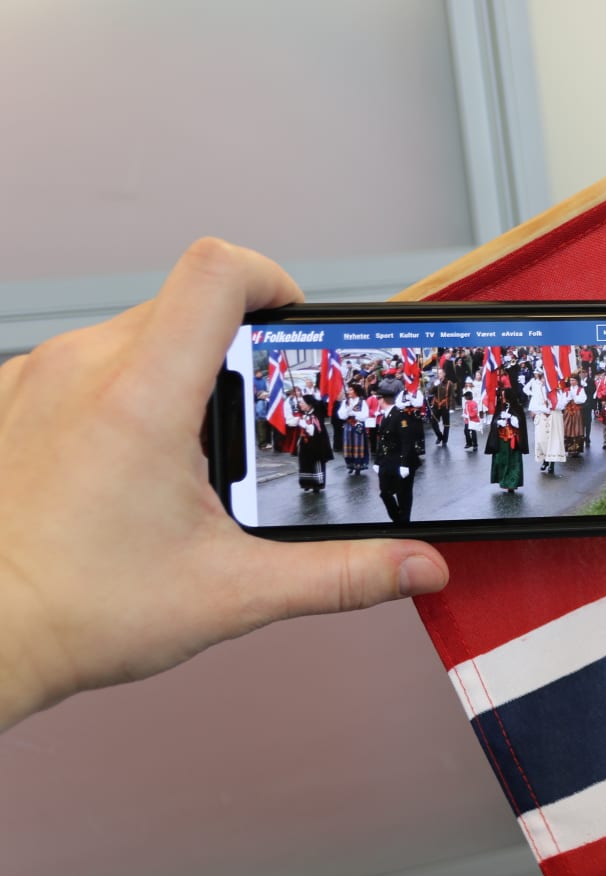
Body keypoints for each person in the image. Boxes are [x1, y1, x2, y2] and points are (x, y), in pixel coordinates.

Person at [0, 238, 448, 733]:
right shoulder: (364, 409)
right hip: (373, 457)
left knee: (397, 495)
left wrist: (25, 608)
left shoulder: (402, 412)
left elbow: (404, 439)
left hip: (394, 463)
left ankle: (403, 515)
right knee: (375, 490)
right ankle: (391, 509)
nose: (376, 395)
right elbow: (363, 426)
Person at [373, 378, 422, 525]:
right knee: (385, 493)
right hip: (388, 460)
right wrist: (377, 461)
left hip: (402, 461)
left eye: (378, 398)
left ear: (382, 400)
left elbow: (407, 441)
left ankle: (404, 523)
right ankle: (398, 520)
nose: (377, 401)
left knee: (403, 495)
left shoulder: (400, 416)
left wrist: (405, 464)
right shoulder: (385, 416)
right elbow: (382, 440)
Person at [292, 393, 333, 491]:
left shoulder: (316, 416)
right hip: (305, 443)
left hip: (316, 444)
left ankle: (317, 484)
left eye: (302, 403)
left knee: (315, 462)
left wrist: (305, 425)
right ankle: (307, 483)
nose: (300, 404)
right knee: (305, 462)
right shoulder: (303, 415)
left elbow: (314, 430)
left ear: (309, 405)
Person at [485, 400, 525, 493]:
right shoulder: (499, 408)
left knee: (513, 462)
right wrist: (498, 422)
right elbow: (493, 422)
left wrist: (510, 418)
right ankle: (503, 481)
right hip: (501, 440)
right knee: (501, 461)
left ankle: (512, 484)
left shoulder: (517, 408)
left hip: (513, 440)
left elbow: (520, 424)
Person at [337, 385, 370, 475]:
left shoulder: (362, 402)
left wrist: (355, 413)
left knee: (358, 444)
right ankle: (350, 465)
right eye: (348, 390)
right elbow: (340, 415)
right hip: (348, 425)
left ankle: (358, 465)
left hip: (358, 424)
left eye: (351, 390)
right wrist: (347, 412)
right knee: (348, 444)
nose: (348, 392)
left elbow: (365, 415)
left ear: (356, 391)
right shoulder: (345, 402)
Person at [561, 375, 586, 457]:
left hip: (577, 411)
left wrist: (574, 396)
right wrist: (568, 398)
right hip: (568, 411)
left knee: (577, 430)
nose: (572, 382)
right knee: (567, 429)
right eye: (571, 380)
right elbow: (563, 401)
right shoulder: (566, 390)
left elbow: (582, 400)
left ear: (577, 381)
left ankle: (576, 450)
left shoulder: (581, 389)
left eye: (573, 380)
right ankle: (569, 449)